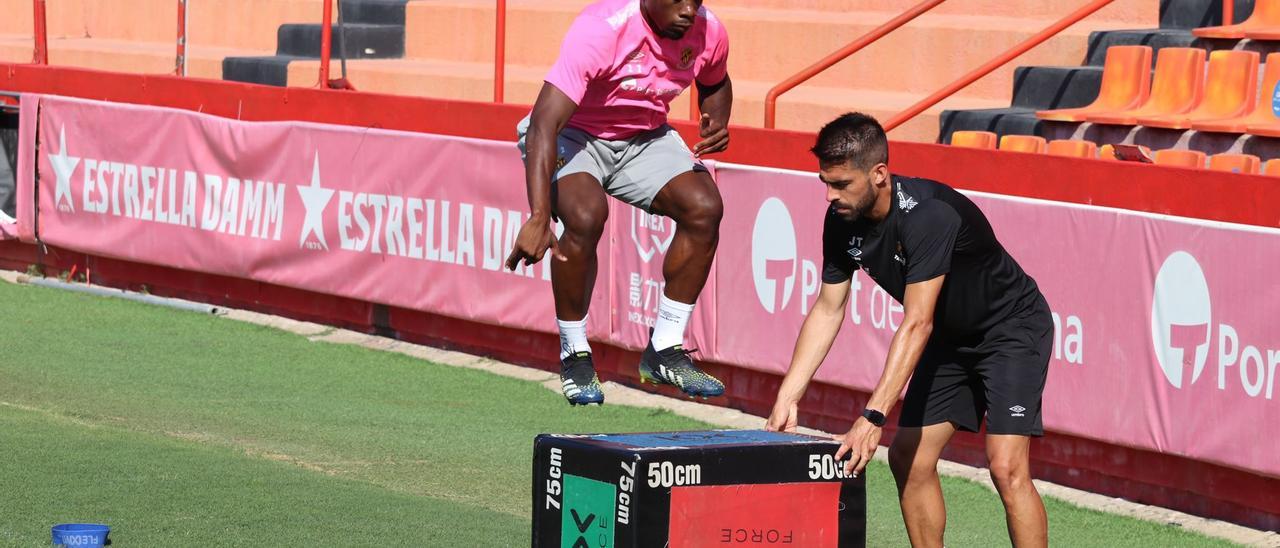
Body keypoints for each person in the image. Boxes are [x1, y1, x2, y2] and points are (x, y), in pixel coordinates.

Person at [766, 113, 1052, 547]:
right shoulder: (840, 222)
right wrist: (788, 395)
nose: (829, 195)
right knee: (908, 459)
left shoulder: (928, 216)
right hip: (950, 339)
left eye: (841, 184)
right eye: (825, 182)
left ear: (879, 173)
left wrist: (872, 416)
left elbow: (918, 322)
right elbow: (828, 308)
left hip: (1009, 329)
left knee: (1006, 466)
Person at [505, 0, 733, 406]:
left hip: (644, 138)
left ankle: (664, 349)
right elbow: (544, 121)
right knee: (586, 215)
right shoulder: (602, 28)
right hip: (573, 135)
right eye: (679, 0)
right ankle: (574, 353)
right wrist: (539, 216)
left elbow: (716, 80)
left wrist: (716, 116)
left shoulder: (709, 30)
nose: (688, 10)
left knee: (705, 207)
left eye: (695, 1)